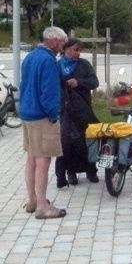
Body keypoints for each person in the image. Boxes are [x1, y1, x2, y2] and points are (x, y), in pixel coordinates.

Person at [20, 26, 68, 220]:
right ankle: (43, 207)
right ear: (54, 40)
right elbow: (48, 92)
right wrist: (54, 114)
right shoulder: (48, 60)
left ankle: (32, 200)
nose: (63, 48)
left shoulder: (30, 57)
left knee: (32, 158)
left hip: (27, 113)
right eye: (62, 43)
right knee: (43, 160)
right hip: (42, 116)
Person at [55, 38, 100, 188]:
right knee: (67, 142)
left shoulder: (84, 65)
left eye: (80, 50)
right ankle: (70, 172)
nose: (78, 53)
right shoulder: (58, 66)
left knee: (88, 140)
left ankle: (91, 170)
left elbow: (95, 82)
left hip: (83, 109)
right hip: (65, 111)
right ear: (66, 49)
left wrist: (79, 82)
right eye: (75, 49)